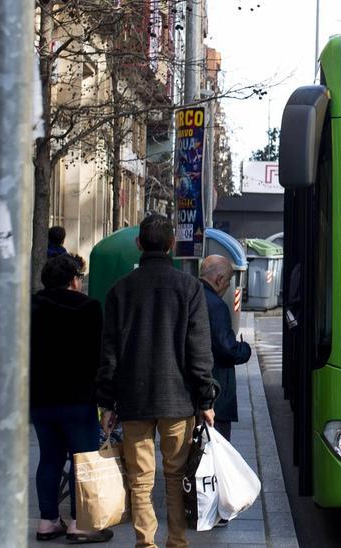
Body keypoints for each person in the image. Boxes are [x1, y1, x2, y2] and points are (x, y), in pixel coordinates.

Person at [96, 214, 218, 548]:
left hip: (133, 400)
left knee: (140, 479)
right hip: (178, 399)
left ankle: (145, 542)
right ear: (171, 245)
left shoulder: (119, 291)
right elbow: (199, 352)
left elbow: (109, 354)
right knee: (176, 476)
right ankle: (177, 540)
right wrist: (206, 401)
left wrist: (106, 403)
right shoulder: (190, 288)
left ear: (139, 245)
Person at [29, 254, 112, 544]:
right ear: (74, 280)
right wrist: (106, 399)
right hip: (79, 399)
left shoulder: (30, 307)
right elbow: (99, 356)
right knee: (83, 460)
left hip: (40, 398)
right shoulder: (89, 308)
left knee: (49, 459)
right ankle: (80, 523)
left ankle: (47, 520)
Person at [199, 255, 251, 442]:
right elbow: (226, 348)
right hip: (216, 391)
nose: (229, 285)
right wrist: (245, 349)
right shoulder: (217, 305)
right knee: (217, 448)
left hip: (194, 392)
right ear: (219, 279)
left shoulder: (192, 295)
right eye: (228, 280)